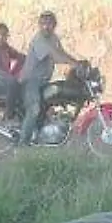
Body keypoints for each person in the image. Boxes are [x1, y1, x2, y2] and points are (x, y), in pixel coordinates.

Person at [17, 10, 80, 146]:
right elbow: (55, 56)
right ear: (39, 25)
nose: (46, 26)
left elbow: (61, 52)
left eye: (50, 23)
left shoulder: (53, 38)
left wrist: (77, 63)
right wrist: (73, 63)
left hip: (43, 80)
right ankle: (23, 144)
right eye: (43, 23)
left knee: (51, 102)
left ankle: (43, 133)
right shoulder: (39, 39)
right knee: (34, 109)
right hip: (31, 81)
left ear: (55, 25)